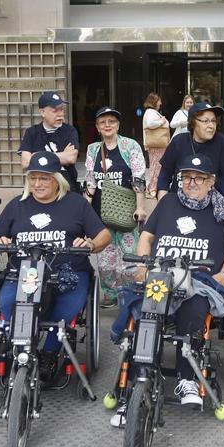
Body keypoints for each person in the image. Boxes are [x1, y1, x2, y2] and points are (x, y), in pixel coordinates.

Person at [131, 153, 224, 411]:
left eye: (199, 178)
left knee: (193, 312)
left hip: (199, 280)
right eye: (186, 177)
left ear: (211, 181)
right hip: (162, 275)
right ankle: (136, 380)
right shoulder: (167, 203)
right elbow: (147, 237)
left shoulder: (223, 207)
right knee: (144, 316)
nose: (192, 182)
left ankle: (187, 378)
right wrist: (143, 264)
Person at [0, 151, 110, 383]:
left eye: (44, 178)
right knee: (7, 303)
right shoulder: (17, 205)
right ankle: (19, 346)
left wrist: (90, 243)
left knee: (64, 310)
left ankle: (50, 351)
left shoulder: (76, 204)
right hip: (23, 273)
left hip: (67, 273)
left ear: (57, 179)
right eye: (33, 177)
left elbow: (103, 235)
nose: (37, 183)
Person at [84, 107, 148, 307]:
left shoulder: (130, 146)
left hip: (126, 210)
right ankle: (110, 294)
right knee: (105, 256)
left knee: (129, 254)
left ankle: (130, 293)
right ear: (97, 127)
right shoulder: (93, 149)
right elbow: (90, 181)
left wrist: (140, 208)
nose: (107, 125)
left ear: (118, 125)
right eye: (102, 122)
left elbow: (138, 177)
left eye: (111, 121)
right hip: (100, 211)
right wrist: (83, 210)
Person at [156, 102, 224, 201]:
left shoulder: (221, 142)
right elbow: (165, 175)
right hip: (178, 203)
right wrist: (162, 204)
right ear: (193, 122)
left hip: (210, 205)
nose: (211, 126)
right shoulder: (178, 141)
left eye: (213, 121)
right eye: (205, 121)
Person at [18, 91, 80, 190]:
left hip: (67, 186)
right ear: (42, 112)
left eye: (62, 110)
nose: (60, 115)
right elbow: (25, 162)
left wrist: (37, 156)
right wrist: (61, 155)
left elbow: (71, 158)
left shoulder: (70, 131)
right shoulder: (31, 133)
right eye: (55, 111)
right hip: (39, 188)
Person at [141, 93, 170, 199]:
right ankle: (153, 188)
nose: (160, 103)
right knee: (156, 166)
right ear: (154, 102)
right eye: (159, 101)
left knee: (156, 165)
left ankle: (152, 187)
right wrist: (162, 120)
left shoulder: (150, 112)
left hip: (156, 145)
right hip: (156, 145)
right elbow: (150, 124)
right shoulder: (151, 112)